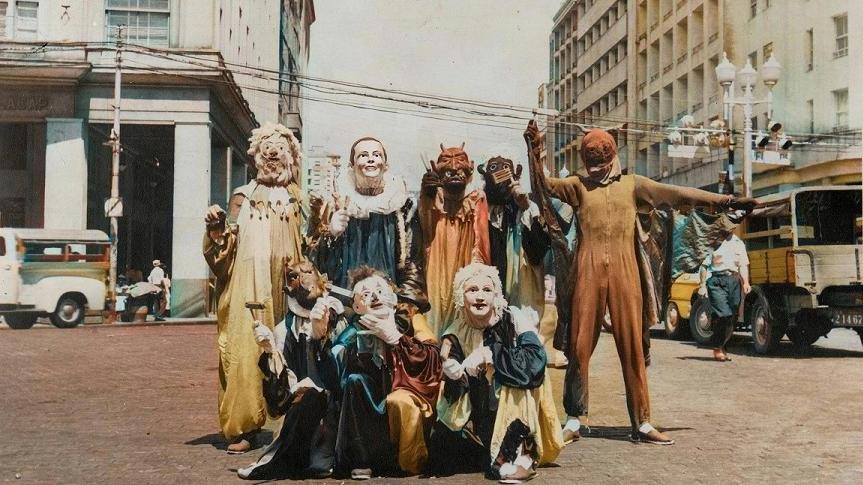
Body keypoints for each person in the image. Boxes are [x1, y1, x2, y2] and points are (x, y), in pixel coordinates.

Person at [525, 120, 755, 446]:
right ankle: (575, 418)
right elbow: (543, 186)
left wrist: (726, 202)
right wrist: (533, 149)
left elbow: (678, 194)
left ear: (613, 156)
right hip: (586, 269)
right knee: (578, 346)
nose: (598, 168)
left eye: (602, 160)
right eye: (592, 161)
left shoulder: (633, 184)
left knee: (633, 345)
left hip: (625, 268)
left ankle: (643, 421)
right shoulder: (577, 186)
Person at [203, 122, 305, 454]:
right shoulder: (242, 197)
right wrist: (217, 230)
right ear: (256, 156)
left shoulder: (299, 199)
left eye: (280, 148)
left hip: (290, 288)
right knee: (248, 355)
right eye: (267, 148)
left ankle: (295, 425)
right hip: (249, 288)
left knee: (291, 351)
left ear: (291, 156)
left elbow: (314, 243)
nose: (273, 153)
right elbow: (225, 249)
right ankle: (244, 427)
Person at [430, 263, 563, 483]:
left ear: (496, 295)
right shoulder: (455, 332)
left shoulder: (514, 319)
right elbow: (451, 386)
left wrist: (491, 354)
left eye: (486, 290)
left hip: (519, 409)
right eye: (472, 290)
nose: (480, 297)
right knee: (441, 457)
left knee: (513, 382)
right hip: (481, 413)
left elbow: (535, 364)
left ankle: (522, 458)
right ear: (460, 296)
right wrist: (454, 376)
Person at [238, 260, 346, 479]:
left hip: (337, 405)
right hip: (304, 408)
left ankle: (324, 453)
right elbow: (278, 402)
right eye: (296, 275)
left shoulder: (336, 314)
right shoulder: (286, 330)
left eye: (309, 271)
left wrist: (320, 336)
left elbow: (342, 366)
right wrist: (271, 354)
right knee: (306, 399)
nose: (305, 278)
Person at [333, 266, 442, 479]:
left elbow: (433, 357)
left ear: (392, 296)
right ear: (356, 305)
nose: (374, 296)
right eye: (365, 294)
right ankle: (362, 458)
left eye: (380, 291)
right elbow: (334, 362)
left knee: (399, 401)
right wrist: (320, 337)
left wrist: (396, 338)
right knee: (354, 380)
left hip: (408, 393)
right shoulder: (355, 328)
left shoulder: (410, 317)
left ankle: (409, 463)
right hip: (373, 413)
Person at [419, 143, 491, 337]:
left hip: (465, 266)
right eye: (448, 171)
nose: (455, 173)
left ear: (470, 171)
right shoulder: (432, 197)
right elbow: (424, 229)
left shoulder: (476, 199)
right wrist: (426, 195)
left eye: (460, 169)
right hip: (435, 267)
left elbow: (481, 243)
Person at [699, 232, 750, 361]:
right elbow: (704, 265)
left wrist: (746, 282)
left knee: (732, 316)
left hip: (733, 280)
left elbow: (743, 265)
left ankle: (723, 346)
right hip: (716, 281)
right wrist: (702, 285)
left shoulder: (738, 243)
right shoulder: (713, 240)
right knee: (724, 314)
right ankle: (717, 347)